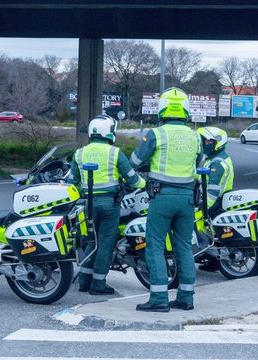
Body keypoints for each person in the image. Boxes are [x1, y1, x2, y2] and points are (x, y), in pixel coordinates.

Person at [130, 87, 202, 312]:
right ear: (185, 110)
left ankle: (159, 298)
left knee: (155, 246)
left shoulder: (156, 134)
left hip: (162, 197)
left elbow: (135, 160)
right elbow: (197, 164)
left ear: (162, 109)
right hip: (188, 198)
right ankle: (186, 297)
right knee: (183, 246)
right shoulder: (195, 136)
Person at [68, 114, 146, 295]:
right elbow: (132, 178)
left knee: (90, 242)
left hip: (87, 205)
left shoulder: (79, 153)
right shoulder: (115, 152)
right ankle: (98, 284)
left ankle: (84, 281)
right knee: (105, 244)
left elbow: (72, 181)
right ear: (108, 133)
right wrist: (145, 185)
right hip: (109, 205)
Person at [196, 126, 234, 272]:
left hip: (215, 203)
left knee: (191, 224)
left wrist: (201, 207)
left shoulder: (217, 163)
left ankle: (201, 251)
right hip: (221, 201)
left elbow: (211, 191)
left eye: (207, 142)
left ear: (216, 142)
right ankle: (211, 260)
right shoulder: (216, 158)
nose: (204, 144)